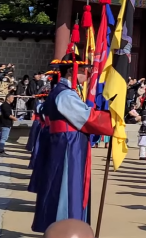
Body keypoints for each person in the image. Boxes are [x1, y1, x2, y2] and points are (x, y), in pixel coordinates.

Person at [31, 52, 113, 233]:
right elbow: (86, 117)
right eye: (84, 70)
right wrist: (113, 120)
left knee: (60, 185)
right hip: (68, 145)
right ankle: (65, 229)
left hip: (65, 142)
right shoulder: (65, 95)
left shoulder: (62, 92)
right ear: (71, 71)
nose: (88, 74)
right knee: (67, 187)